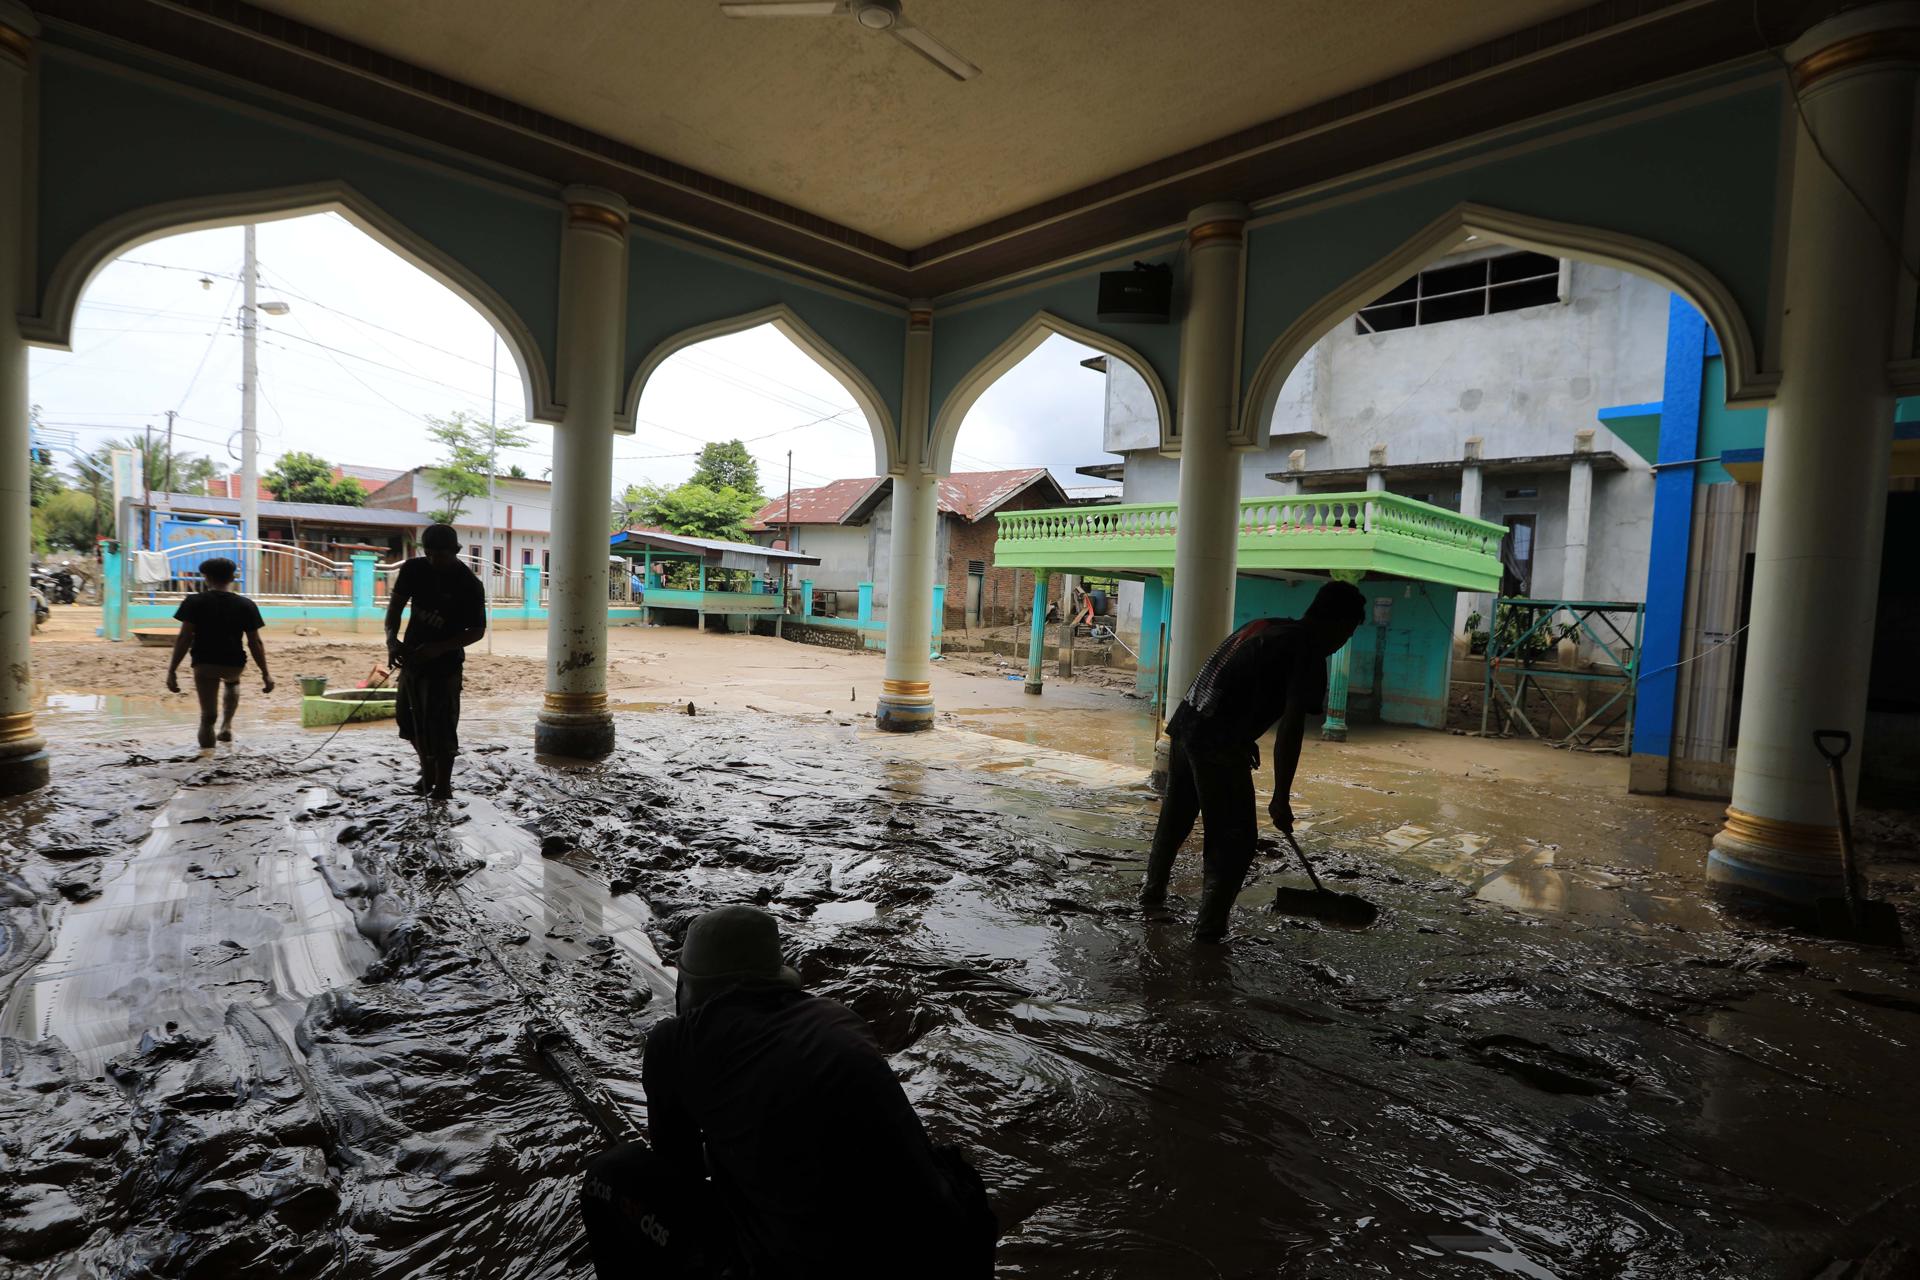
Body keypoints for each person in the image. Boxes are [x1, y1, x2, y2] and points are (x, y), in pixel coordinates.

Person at [578, 905, 996, 1279]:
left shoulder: (675, 1043)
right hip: (950, 1253)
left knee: (611, 1175)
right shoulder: (835, 1016)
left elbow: (680, 1175)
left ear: (690, 985)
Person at [1141, 579, 1366, 944]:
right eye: (1349, 631)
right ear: (1339, 623)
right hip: (1215, 741)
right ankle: (1209, 931)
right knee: (1235, 840)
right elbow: (1291, 730)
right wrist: (1281, 796)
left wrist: (1242, 735)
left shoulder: (1266, 626)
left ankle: (1151, 894)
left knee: (1176, 816)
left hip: (1187, 724)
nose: (1344, 642)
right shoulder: (1307, 649)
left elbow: (1230, 681)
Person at [385, 524, 487, 799]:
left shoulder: (469, 584)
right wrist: (392, 641)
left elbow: (477, 631)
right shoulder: (413, 570)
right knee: (408, 722)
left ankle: (443, 785)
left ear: (455, 551)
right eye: (429, 554)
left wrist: (440, 648)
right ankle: (427, 767)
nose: (434, 561)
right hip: (412, 661)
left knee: (443, 726)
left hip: (446, 666)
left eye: (440, 555)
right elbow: (394, 608)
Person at [165, 556, 272, 749]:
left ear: (206, 577)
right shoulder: (246, 604)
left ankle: (207, 760)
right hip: (234, 664)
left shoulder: (193, 601)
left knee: (207, 717)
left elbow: (184, 638)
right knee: (232, 682)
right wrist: (266, 674)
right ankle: (227, 725)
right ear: (232, 577)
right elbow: (255, 642)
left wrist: (172, 670)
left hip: (204, 663)